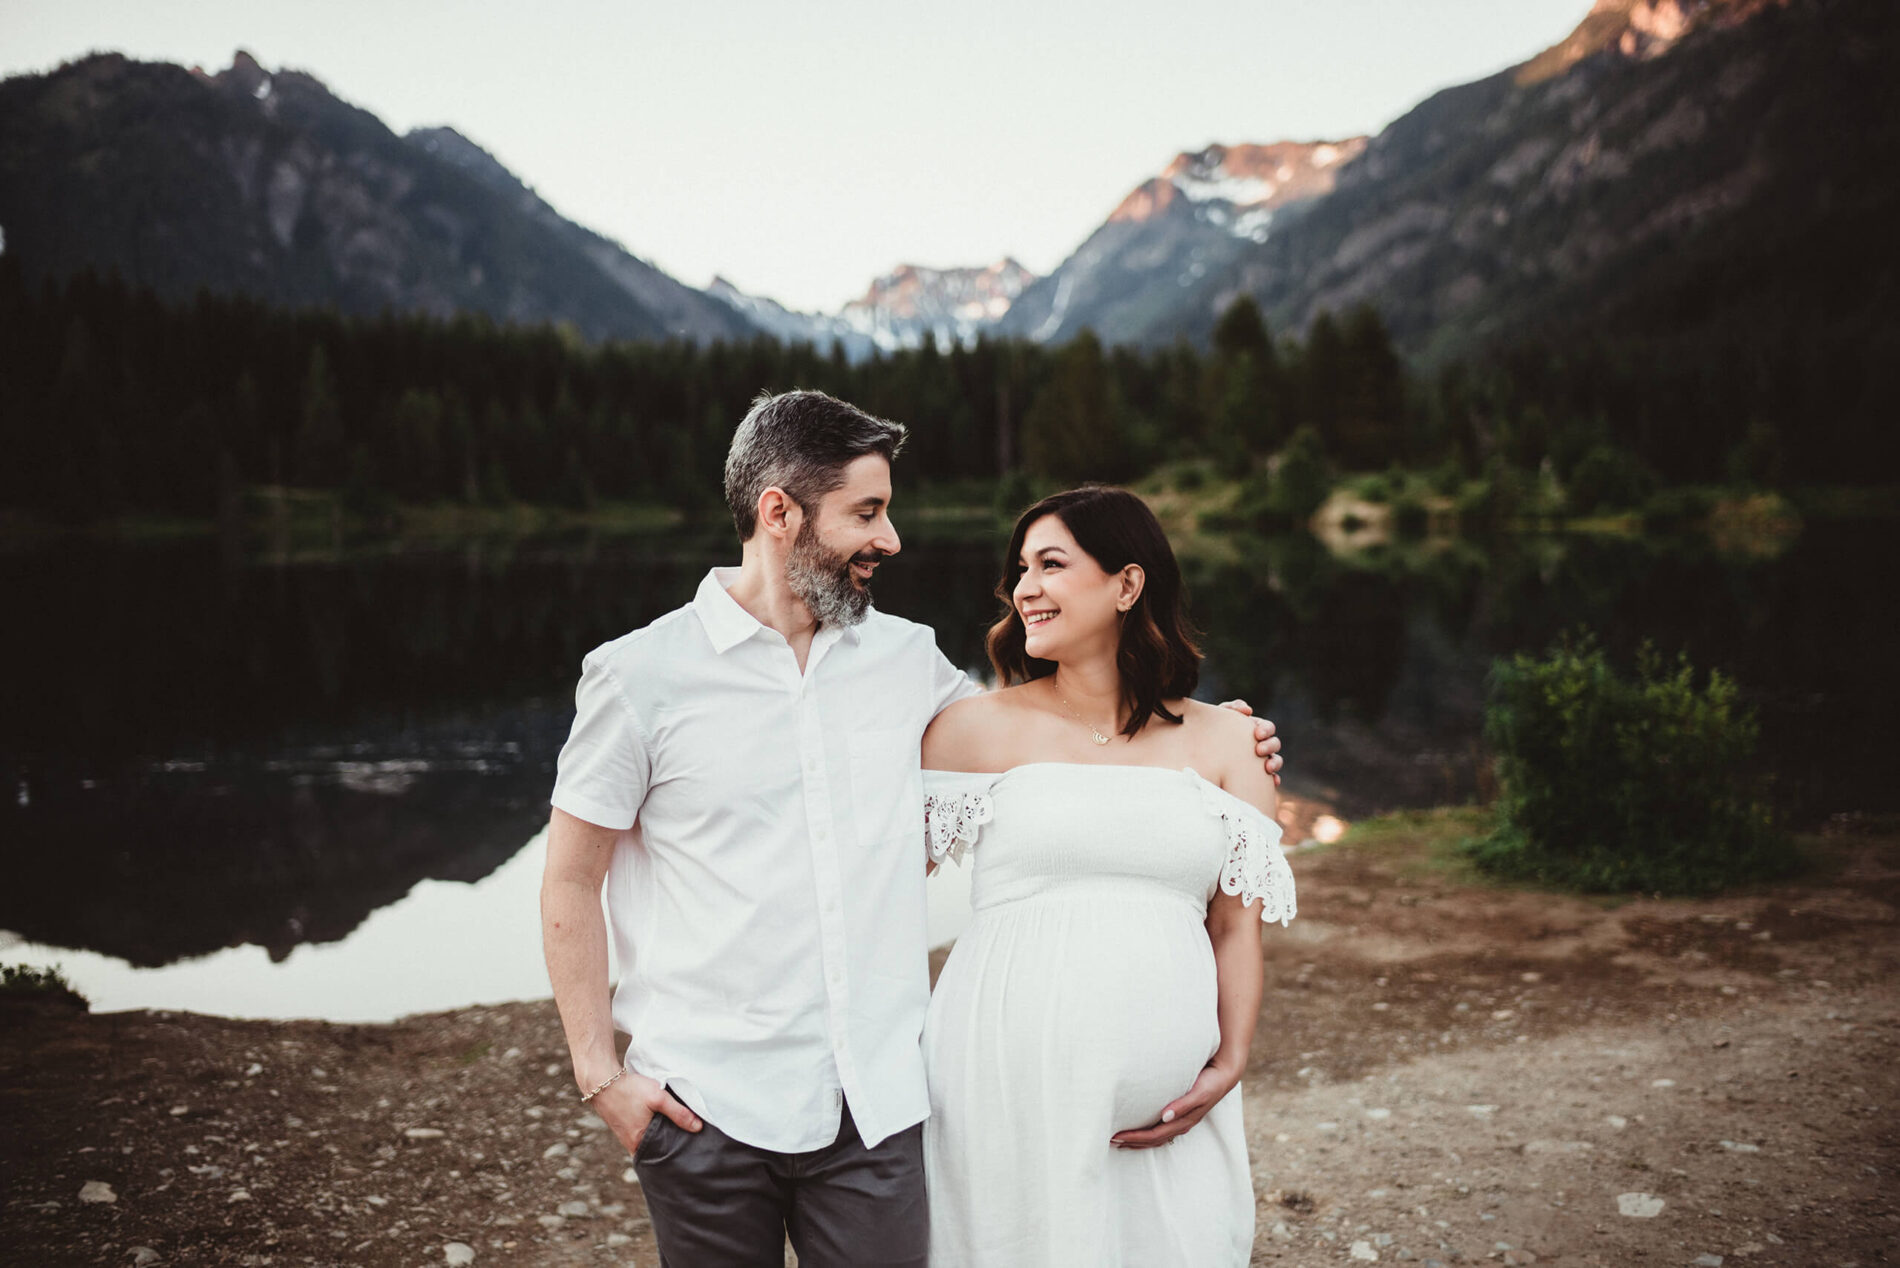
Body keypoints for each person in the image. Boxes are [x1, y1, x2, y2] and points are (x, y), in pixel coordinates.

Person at [540, 391, 1282, 1266]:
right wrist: (601, 1077)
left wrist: (1209, 734)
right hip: (706, 1103)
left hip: (879, 1109)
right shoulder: (639, 676)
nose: (891, 540)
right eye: (868, 512)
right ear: (779, 513)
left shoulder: (908, 664)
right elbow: (569, 880)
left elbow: (1066, 749)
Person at [918, 485, 1295, 1266]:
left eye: (1051, 564)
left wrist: (1230, 1061)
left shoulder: (1231, 742)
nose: (1025, 588)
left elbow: (1234, 928)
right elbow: (877, 892)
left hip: (1171, 1110)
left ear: (1128, 584)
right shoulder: (965, 732)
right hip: (1000, 1080)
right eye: (1020, 569)